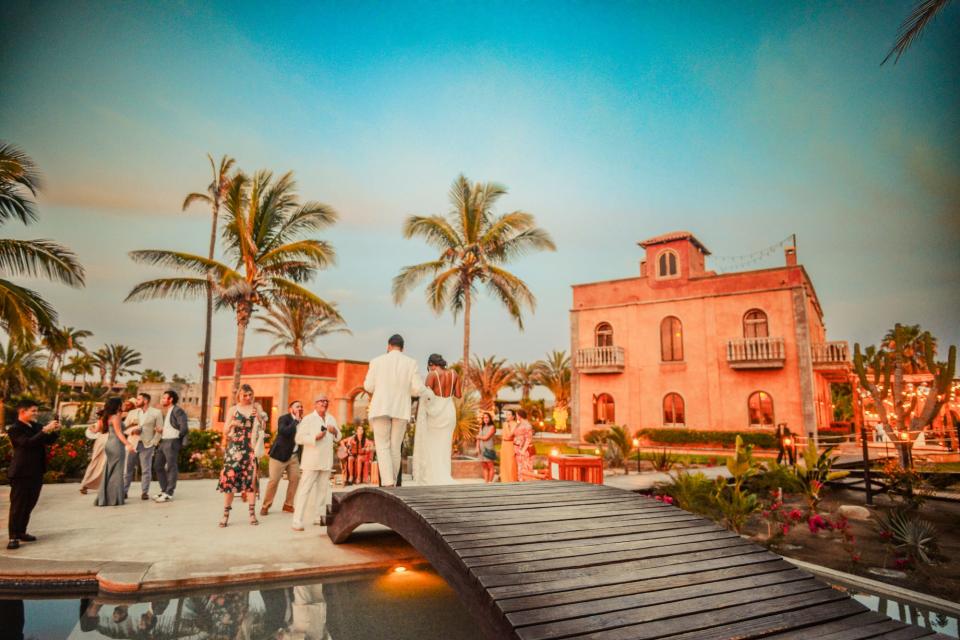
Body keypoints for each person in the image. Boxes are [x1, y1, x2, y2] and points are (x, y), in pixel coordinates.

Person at [363, 334, 422, 487]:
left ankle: (388, 482)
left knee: (382, 446)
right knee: (395, 447)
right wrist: (405, 389)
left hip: (381, 407)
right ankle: (394, 482)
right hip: (401, 409)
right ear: (402, 348)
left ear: (388, 346)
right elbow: (417, 389)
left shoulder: (376, 361)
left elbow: (368, 386)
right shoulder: (411, 363)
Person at [6, 399, 60, 550]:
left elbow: (48, 440)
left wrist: (55, 430)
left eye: (36, 411)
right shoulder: (15, 429)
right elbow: (27, 443)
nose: (36, 414)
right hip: (21, 472)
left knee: (30, 503)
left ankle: (22, 531)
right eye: (33, 411)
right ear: (22, 412)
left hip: (36, 471)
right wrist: (44, 430)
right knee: (18, 505)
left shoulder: (35, 426)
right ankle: (13, 537)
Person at [217, 384, 265, 527]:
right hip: (234, 449)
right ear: (239, 395)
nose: (248, 397)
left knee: (251, 481)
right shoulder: (233, 409)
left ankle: (252, 514)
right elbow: (225, 431)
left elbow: (263, 429)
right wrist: (232, 423)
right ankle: (225, 515)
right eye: (245, 395)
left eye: (250, 395)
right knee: (230, 480)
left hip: (250, 448)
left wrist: (261, 420)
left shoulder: (257, 409)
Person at [292, 394, 341, 531]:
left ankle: (318, 517)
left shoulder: (331, 418)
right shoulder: (308, 419)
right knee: (304, 490)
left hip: (326, 461)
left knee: (322, 490)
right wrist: (315, 437)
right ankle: (297, 520)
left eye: (326, 401)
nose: (324, 403)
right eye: (321, 401)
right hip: (311, 461)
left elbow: (339, 437)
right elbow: (299, 438)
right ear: (315, 404)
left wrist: (335, 431)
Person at [412, 353, 461, 486]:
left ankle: (435, 477)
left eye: (429, 367)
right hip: (449, 412)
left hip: (435, 414)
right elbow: (458, 394)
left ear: (431, 365)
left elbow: (427, 398)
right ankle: (445, 474)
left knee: (432, 446)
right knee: (445, 446)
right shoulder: (454, 374)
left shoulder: (432, 375)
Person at [261, 400, 303, 516]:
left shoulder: (303, 421)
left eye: (301, 407)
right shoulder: (284, 418)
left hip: (293, 456)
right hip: (279, 455)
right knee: (273, 481)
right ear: (291, 409)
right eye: (297, 406)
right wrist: (295, 421)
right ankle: (266, 505)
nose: (300, 408)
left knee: (295, 479)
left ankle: (288, 505)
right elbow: (284, 431)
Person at [123, 392, 164, 501]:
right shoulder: (132, 413)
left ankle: (144, 492)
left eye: (138, 399)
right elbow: (123, 428)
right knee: (127, 469)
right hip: (132, 444)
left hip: (147, 445)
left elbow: (159, 430)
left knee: (146, 470)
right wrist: (132, 431)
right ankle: (124, 491)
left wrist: (153, 443)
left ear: (145, 401)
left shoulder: (156, 412)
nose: (136, 401)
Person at [95, 396, 135, 507]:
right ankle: (114, 499)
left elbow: (99, 430)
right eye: (122, 403)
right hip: (117, 445)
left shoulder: (107, 416)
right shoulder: (116, 417)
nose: (124, 405)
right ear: (117, 405)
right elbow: (119, 433)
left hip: (110, 444)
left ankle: (106, 498)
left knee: (110, 470)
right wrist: (128, 444)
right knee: (117, 472)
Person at [154, 389, 189, 502]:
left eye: (164, 398)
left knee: (171, 467)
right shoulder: (168, 411)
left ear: (171, 399)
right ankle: (164, 490)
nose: (162, 400)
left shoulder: (178, 410)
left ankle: (169, 493)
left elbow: (184, 428)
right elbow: (171, 426)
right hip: (164, 440)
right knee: (158, 465)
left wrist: (176, 438)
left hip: (172, 441)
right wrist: (163, 431)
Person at [79, 415, 108, 494]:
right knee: (104, 463)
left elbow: (95, 431)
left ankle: (85, 484)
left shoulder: (101, 420)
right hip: (109, 439)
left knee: (94, 462)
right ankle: (102, 485)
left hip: (101, 440)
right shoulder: (112, 419)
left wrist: (90, 427)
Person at [513, 408, 535, 481]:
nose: (516, 416)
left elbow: (529, 438)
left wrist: (523, 450)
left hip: (524, 450)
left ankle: (525, 485)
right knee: (520, 468)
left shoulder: (527, 425)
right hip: (518, 449)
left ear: (519, 415)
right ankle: (521, 482)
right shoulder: (519, 424)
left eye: (516, 415)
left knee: (525, 468)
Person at [476, 412, 497, 483]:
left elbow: (486, 438)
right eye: (484, 418)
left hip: (489, 449)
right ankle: (486, 482)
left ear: (490, 418)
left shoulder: (492, 427)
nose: (486, 419)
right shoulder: (481, 427)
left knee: (490, 466)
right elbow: (478, 439)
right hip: (481, 449)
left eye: (487, 417)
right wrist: (477, 447)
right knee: (484, 466)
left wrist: (478, 437)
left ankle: (490, 482)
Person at [499, 408, 518, 483]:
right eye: (506, 414)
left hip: (510, 444)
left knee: (510, 463)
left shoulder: (515, 424)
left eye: (509, 414)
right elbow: (503, 435)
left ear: (513, 416)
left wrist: (507, 426)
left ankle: (511, 480)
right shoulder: (504, 424)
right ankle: (504, 480)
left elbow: (510, 435)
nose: (507, 416)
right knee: (504, 463)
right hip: (504, 444)